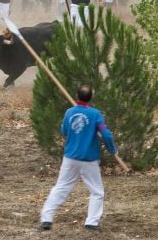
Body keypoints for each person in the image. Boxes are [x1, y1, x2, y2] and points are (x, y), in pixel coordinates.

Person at [40, 85, 118, 231]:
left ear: (77, 97)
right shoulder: (95, 114)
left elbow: (64, 130)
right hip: (89, 160)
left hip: (70, 158)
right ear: (91, 98)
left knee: (61, 187)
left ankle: (46, 219)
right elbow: (106, 134)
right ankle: (91, 223)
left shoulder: (69, 112)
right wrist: (112, 149)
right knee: (97, 192)